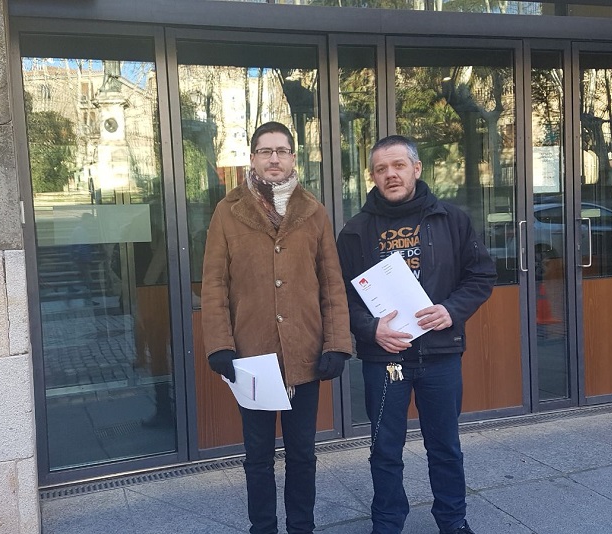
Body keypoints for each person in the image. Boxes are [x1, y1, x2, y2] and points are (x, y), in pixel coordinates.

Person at [336, 135, 496, 534]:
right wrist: (370, 328)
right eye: (380, 169)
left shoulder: (451, 220)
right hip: (385, 359)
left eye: (398, 166)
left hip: (440, 356)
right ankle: (387, 524)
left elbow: (481, 275)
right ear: (372, 176)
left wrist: (451, 311)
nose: (390, 174)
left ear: (416, 168)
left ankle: (453, 521)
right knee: (385, 451)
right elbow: (338, 296)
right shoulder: (355, 232)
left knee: (444, 448)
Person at [201, 121, 353, 534]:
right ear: (252, 158)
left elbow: (332, 282)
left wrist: (337, 342)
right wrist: (219, 344)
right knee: (258, 455)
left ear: (292, 157)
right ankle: (262, 528)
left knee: (303, 453)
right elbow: (214, 282)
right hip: (253, 357)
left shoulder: (314, 211)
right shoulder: (227, 211)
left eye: (281, 151)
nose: (273, 158)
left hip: (306, 351)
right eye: (265, 151)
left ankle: (301, 526)